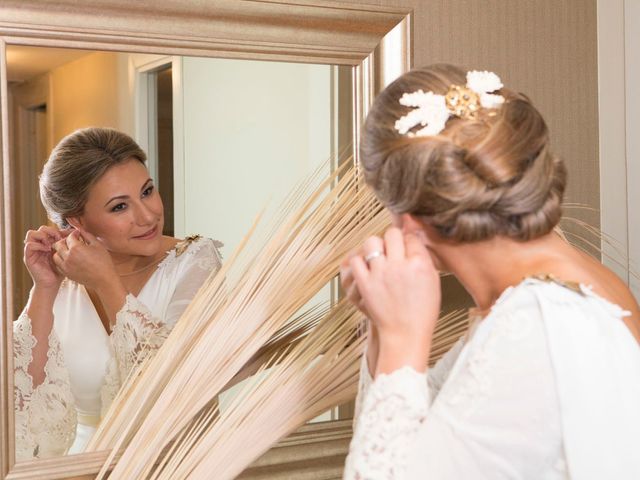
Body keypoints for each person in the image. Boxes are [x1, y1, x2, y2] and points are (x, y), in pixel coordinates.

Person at [340, 64, 640, 479]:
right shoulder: (538, 297)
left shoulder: (539, 321)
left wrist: (401, 336)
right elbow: (421, 437)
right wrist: (382, 325)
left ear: (406, 219)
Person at [13, 127, 223, 460]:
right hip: (77, 470)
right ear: (76, 222)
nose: (148, 215)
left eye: (147, 191)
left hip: (170, 466)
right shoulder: (65, 280)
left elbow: (175, 384)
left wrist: (107, 283)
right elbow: (21, 401)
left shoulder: (195, 261)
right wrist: (45, 287)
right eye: (119, 207)